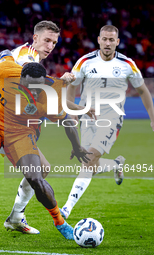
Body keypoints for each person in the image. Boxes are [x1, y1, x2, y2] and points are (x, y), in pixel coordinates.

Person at [0, 49, 90, 241]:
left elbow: (69, 123)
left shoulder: (49, 98)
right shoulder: (8, 69)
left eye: (38, 88)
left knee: (36, 178)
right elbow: (3, 53)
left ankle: (60, 222)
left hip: (20, 133)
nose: (34, 91)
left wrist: (78, 147)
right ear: (20, 78)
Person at [59, 25, 154, 219]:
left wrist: (153, 117)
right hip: (87, 117)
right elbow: (72, 86)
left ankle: (66, 208)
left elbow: (143, 91)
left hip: (112, 118)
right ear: (99, 40)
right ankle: (116, 164)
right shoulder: (84, 62)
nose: (108, 43)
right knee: (90, 163)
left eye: (112, 40)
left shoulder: (128, 64)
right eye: (105, 39)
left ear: (117, 42)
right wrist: (73, 111)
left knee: (88, 160)